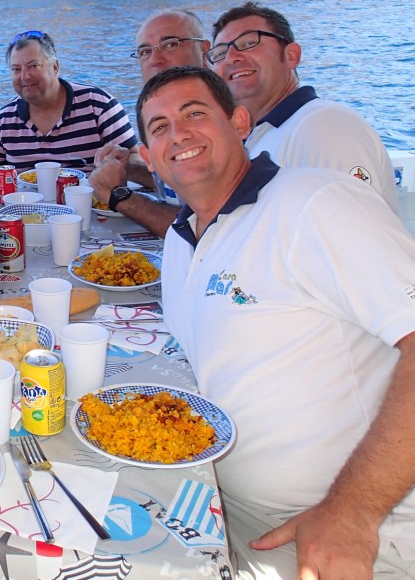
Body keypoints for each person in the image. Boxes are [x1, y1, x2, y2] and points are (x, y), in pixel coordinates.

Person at [135, 66, 415, 580]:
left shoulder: (314, 203)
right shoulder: (181, 241)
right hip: (223, 507)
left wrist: (353, 512)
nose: (179, 134)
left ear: (239, 122)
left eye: (195, 113)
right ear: (149, 158)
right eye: (159, 128)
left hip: (353, 528)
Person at [208, 1, 398, 211]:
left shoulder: (326, 127)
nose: (231, 57)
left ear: (291, 56)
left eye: (249, 43)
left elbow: (351, 228)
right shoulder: (258, 136)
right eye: (219, 54)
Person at [89, 10, 209, 235]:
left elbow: (207, 226)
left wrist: (117, 195)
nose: (156, 59)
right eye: (145, 51)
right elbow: (184, 178)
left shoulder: (217, 115)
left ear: (204, 49)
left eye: (171, 44)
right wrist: (129, 169)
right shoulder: (157, 110)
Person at [0, 29, 137, 175]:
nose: (24, 77)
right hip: (26, 204)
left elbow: (133, 159)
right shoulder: (2, 121)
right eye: (16, 69)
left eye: (33, 66)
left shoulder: (99, 106)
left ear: (55, 67)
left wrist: (122, 163)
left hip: (91, 202)